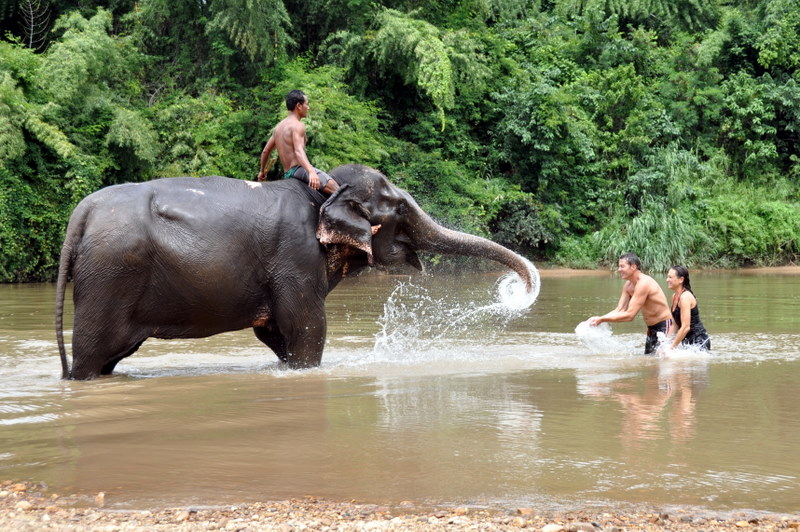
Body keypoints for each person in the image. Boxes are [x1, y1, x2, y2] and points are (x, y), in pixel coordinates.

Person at [588, 252, 673, 355]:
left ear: (633, 267)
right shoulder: (628, 285)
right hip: (651, 328)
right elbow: (619, 310)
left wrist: (602, 319)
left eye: (622, 266)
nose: (619, 270)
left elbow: (630, 315)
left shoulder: (644, 283)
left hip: (665, 325)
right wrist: (598, 319)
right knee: (650, 360)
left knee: (663, 361)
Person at [256, 89, 339, 195]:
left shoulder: (278, 128)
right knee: (338, 191)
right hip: (299, 170)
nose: (308, 108)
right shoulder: (298, 125)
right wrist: (311, 171)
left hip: (287, 174)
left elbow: (265, 151)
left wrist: (262, 171)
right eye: (307, 104)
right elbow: (298, 151)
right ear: (299, 106)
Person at [665, 265, 711, 351]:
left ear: (681, 279)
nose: (667, 280)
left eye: (670, 277)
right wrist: (665, 344)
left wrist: (671, 347)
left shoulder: (685, 297)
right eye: (667, 277)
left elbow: (686, 327)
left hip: (699, 342)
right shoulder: (674, 296)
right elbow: (675, 324)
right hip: (688, 342)